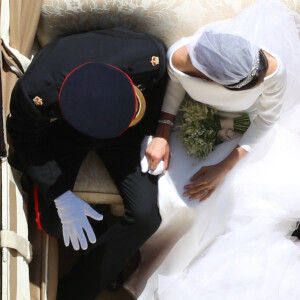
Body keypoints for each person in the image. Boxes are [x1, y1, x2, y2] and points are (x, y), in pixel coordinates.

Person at [125, 0, 300, 299]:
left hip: (245, 133)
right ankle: (146, 265)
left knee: (220, 200)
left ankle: (170, 274)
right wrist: (163, 133)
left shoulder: (268, 68)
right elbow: (175, 90)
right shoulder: (182, 57)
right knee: (174, 199)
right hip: (189, 119)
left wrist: (225, 167)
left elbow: (268, 118)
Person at [6, 27, 168, 300]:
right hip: (66, 134)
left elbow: (162, 85)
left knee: (146, 217)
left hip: (129, 129)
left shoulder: (148, 57)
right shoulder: (35, 95)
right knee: (57, 221)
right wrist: (60, 196)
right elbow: (25, 138)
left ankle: (89, 276)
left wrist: (156, 132)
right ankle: (94, 259)